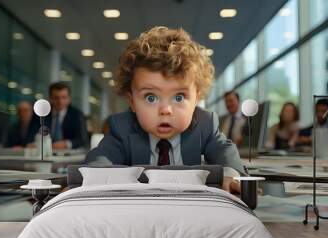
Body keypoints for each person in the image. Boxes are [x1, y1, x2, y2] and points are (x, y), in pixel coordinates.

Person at [85, 26, 244, 193]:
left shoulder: (205, 124)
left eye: (179, 97)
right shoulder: (122, 128)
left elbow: (225, 153)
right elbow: (100, 160)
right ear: (132, 101)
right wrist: (89, 180)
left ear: (196, 98)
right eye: (151, 98)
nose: (166, 110)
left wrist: (229, 175)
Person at [45, 82, 89, 149]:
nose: (60, 101)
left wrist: (67, 144)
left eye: (64, 97)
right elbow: (32, 135)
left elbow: (83, 140)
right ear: (50, 98)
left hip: (68, 155)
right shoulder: (43, 113)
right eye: (56, 98)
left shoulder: (77, 115)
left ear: (69, 99)